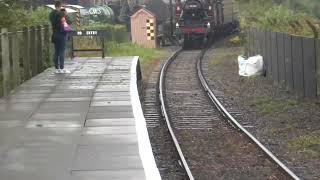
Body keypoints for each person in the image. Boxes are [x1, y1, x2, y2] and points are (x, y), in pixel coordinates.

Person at [49, 1, 71, 74]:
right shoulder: (62, 14)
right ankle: (62, 68)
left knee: (56, 52)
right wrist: (66, 14)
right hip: (62, 35)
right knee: (62, 51)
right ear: (60, 6)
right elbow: (69, 22)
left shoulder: (51, 14)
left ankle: (56, 69)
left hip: (54, 35)